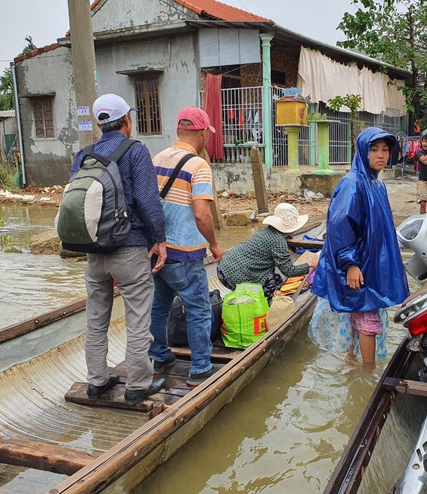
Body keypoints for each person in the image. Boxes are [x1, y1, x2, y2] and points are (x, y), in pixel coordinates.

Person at [72, 93, 167, 406]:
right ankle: (138, 384)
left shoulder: (83, 154)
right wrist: (159, 238)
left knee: (96, 319)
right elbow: (147, 200)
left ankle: (96, 381)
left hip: (93, 253)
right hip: (129, 249)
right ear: (127, 120)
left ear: (101, 125)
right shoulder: (135, 150)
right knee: (138, 318)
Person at [310, 127, 409, 367]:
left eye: (385, 150)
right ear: (363, 151)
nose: (380, 155)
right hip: (359, 265)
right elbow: (340, 227)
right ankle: (367, 376)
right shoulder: (352, 183)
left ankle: (352, 365)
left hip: (371, 263)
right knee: (367, 318)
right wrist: (350, 264)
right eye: (374, 149)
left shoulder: (377, 183)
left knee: (358, 315)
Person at [148, 106, 223, 387]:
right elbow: (202, 214)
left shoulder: (158, 158)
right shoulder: (198, 165)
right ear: (202, 133)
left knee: (159, 307)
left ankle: (159, 355)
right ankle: (201, 367)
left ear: (179, 131)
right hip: (187, 254)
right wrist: (214, 244)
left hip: (159, 250)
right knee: (199, 309)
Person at [217, 203, 316, 301]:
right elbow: (289, 271)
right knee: (275, 280)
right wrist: (310, 265)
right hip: (232, 276)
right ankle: (264, 306)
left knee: (269, 272)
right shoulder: (279, 241)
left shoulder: (267, 230)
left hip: (223, 267)